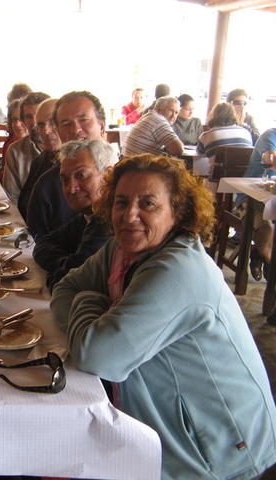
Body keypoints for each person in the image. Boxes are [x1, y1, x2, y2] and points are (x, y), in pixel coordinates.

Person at [51, 153, 276, 479]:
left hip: (223, 456)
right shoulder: (122, 249)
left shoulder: (178, 269)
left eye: (148, 204)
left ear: (178, 212)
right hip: (169, 432)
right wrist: (95, 307)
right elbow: (63, 289)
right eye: (121, 201)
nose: (130, 215)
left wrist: (88, 298)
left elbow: (97, 354)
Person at [33, 139, 115, 291]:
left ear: (108, 175)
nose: (71, 189)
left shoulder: (107, 221)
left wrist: (64, 268)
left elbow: (60, 284)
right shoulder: (87, 215)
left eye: (81, 175)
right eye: (64, 180)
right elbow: (41, 245)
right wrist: (66, 262)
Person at [26, 90, 106, 240]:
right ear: (59, 132)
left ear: (102, 126)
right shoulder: (47, 185)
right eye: (66, 123)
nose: (76, 129)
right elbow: (35, 244)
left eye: (83, 119)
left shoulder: (128, 178)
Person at [17, 98, 63, 219]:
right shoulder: (40, 161)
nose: (46, 131)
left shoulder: (74, 168)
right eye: (41, 125)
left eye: (52, 122)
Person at [1, 91, 50, 204]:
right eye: (28, 117)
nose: (34, 122)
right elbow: (11, 198)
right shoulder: (15, 151)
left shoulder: (68, 152)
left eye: (38, 115)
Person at [243, 128, 276, 282]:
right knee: (268, 228)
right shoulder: (270, 136)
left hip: (271, 202)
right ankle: (270, 263)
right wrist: (271, 158)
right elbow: (270, 157)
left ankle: (257, 252)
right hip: (249, 198)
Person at [197, 102, 252, 166]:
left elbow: (200, 153)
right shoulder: (246, 132)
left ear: (214, 115)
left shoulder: (206, 136)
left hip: (218, 175)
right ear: (233, 115)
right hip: (244, 175)